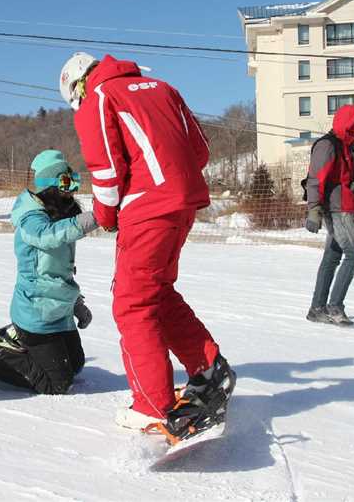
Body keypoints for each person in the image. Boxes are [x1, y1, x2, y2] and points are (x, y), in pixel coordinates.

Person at [59, 52, 236, 441]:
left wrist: (106, 215)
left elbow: (106, 170)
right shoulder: (162, 87)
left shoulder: (100, 99)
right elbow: (200, 149)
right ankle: (208, 369)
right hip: (183, 201)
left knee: (132, 302)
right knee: (156, 291)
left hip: (147, 206)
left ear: (78, 85)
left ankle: (151, 406)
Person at [0, 149, 99, 394]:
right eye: (65, 182)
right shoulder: (32, 219)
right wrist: (95, 218)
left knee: (75, 366)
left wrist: (77, 306)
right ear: (49, 185)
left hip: (58, 310)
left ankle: (19, 343)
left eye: (74, 180)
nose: (72, 189)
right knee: (57, 384)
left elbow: (59, 273)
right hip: (36, 312)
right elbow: (45, 237)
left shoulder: (59, 214)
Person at [304, 104, 354, 326]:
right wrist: (314, 209)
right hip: (335, 209)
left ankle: (317, 309)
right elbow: (315, 178)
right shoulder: (327, 146)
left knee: (332, 258)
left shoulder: (346, 148)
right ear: (348, 124)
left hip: (345, 207)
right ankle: (334, 307)